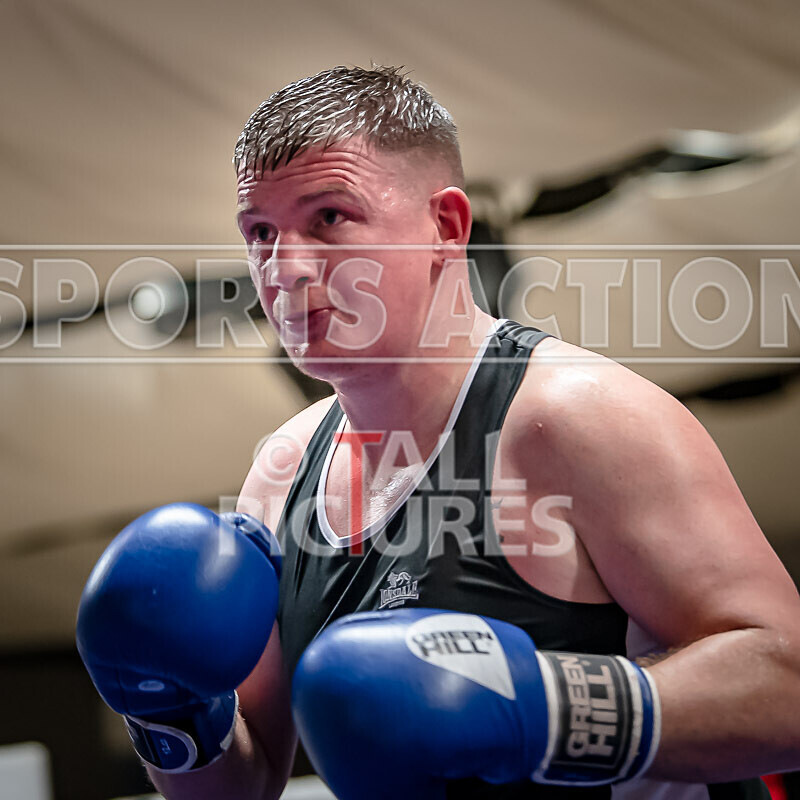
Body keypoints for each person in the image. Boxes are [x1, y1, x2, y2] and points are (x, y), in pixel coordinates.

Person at [77, 66, 800, 799]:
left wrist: (542, 711)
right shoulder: (282, 473)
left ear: (445, 228)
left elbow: (787, 684)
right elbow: (242, 787)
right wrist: (171, 715)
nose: (284, 267)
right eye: (260, 231)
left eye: (329, 216)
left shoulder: (579, 419)